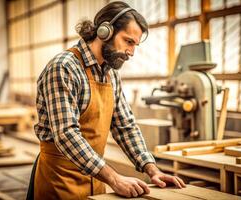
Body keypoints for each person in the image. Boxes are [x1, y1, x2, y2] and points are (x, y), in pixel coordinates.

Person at [27, 1, 185, 200]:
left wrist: (152, 169)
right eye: (128, 42)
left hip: (97, 179)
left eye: (135, 45)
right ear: (105, 31)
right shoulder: (63, 68)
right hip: (59, 181)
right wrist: (115, 179)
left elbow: (125, 126)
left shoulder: (111, 74)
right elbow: (66, 134)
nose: (131, 53)